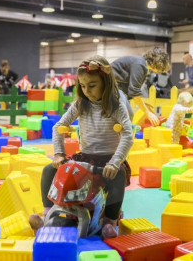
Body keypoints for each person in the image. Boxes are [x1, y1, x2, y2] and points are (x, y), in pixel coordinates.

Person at [29, 55, 133, 239]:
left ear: (106, 83)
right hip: (85, 158)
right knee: (48, 171)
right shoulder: (80, 104)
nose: (87, 91)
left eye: (92, 85)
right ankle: (47, 214)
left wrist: (116, 162)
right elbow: (57, 127)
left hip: (108, 160)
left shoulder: (116, 106)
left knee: (118, 177)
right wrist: (59, 154)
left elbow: (127, 134)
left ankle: (110, 221)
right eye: (83, 86)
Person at [111, 47, 171, 126]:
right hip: (111, 86)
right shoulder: (140, 65)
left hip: (117, 87)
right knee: (126, 115)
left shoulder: (143, 65)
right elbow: (134, 91)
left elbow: (132, 90)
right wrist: (147, 112)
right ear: (158, 62)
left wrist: (144, 105)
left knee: (130, 115)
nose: (161, 71)